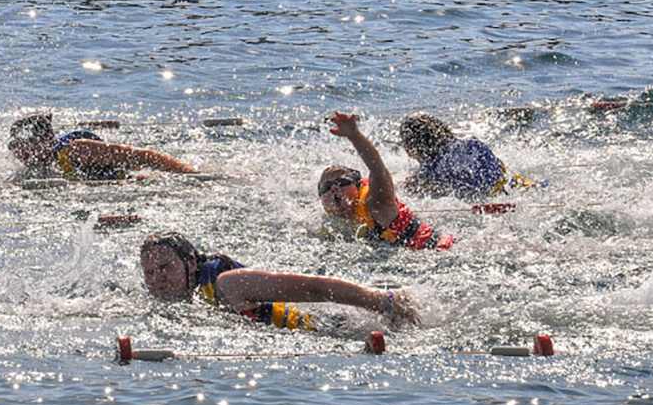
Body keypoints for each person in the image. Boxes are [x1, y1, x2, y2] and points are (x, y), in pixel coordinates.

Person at [140, 231, 415, 329]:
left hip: (330, 326)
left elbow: (312, 287)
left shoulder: (229, 284)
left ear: (190, 262)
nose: (158, 279)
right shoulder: (174, 299)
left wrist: (380, 301)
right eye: (150, 273)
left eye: (165, 267)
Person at [319, 112, 455, 250]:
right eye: (326, 187)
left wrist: (354, 136)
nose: (334, 189)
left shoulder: (375, 204)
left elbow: (378, 170)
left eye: (342, 182)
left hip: (440, 250)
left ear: (358, 186)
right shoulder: (329, 224)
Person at [8, 112, 198, 180]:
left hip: (139, 176)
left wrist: (188, 172)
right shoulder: (38, 165)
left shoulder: (77, 149)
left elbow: (144, 157)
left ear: (46, 139)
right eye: (14, 145)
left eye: (24, 144)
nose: (18, 151)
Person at [398, 112, 537, 201]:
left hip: (490, 201)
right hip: (517, 185)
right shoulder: (470, 140)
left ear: (410, 151)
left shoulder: (430, 172)